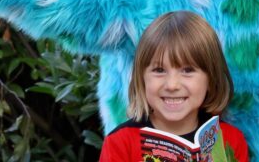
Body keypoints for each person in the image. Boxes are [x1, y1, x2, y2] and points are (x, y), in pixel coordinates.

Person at [99, 11, 249, 161]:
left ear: (210, 79)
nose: (172, 85)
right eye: (159, 70)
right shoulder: (120, 142)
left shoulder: (231, 140)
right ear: (142, 78)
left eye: (187, 70)